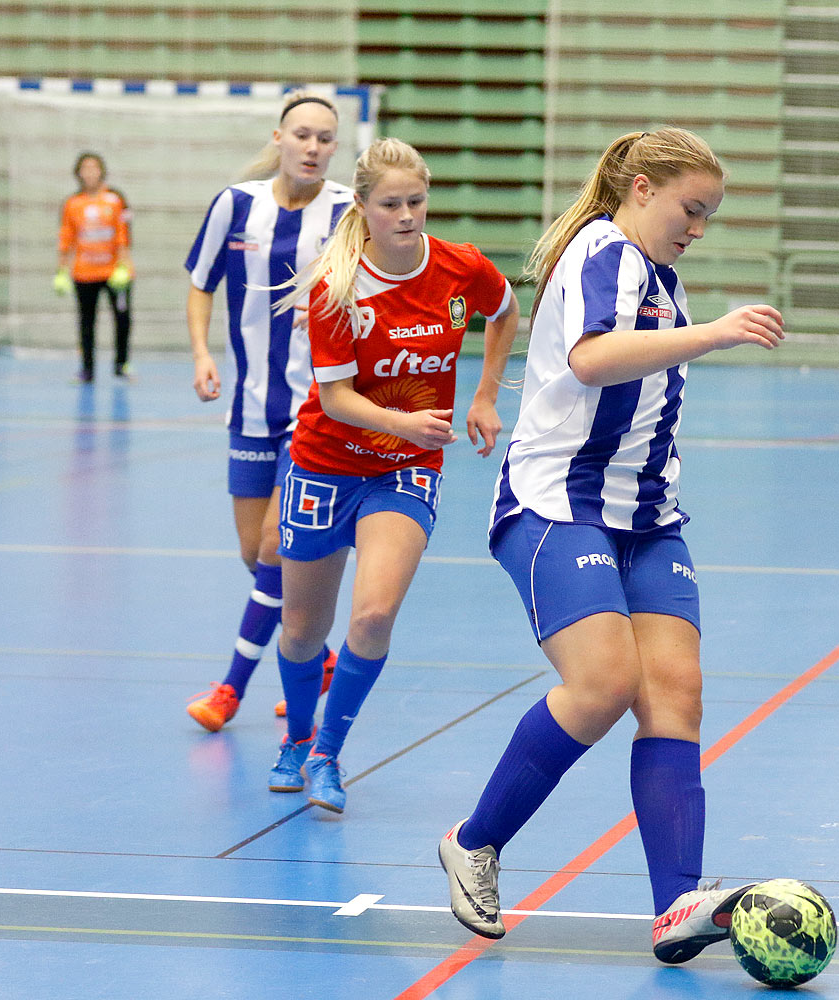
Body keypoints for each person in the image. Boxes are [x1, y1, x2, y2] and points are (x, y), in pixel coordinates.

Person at [434, 126, 783, 962]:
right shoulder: (601, 252)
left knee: (675, 695)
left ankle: (676, 906)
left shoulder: (663, 278)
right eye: (689, 209)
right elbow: (592, 360)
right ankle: (474, 842)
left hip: (648, 517)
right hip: (559, 504)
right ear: (640, 189)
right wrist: (719, 332)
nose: (697, 227)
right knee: (602, 683)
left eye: (708, 216)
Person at [264, 136, 518, 814]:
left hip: (404, 472)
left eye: (416, 202)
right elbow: (339, 399)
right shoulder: (335, 287)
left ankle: (327, 754)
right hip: (324, 465)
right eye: (391, 205)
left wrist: (486, 394)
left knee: (373, 615)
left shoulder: (461, 268)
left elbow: (504, 314)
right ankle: (295, 735)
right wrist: (405, 420)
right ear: (364, 209)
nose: (407, 215)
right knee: (301, 630)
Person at [183, 92, 352, 730]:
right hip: (251, 408)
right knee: (256, 557)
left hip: (317, 412)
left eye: (325, 138)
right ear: (279, 137)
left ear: (336, 148)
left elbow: (373, 293)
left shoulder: (347, 213)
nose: (312, 147)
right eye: (302, 135)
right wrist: (202, 352)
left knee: (276, 549)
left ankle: (229, 689)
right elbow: (201, 283)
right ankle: (320, 659)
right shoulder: (235, 204)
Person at [55, 152, 133, 383]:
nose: (90, 172)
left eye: (94, 167)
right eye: (85, 168)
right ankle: (87, 369)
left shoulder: (115, 199)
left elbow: (124, 235)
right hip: (84, 273)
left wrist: (124, 266)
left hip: (114, 273)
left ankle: (121, 365)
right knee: (86, 322)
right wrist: (61, 271)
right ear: (78, 173)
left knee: (122, 318)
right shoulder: (72, 203)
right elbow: (66, 238)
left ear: (101, 171)